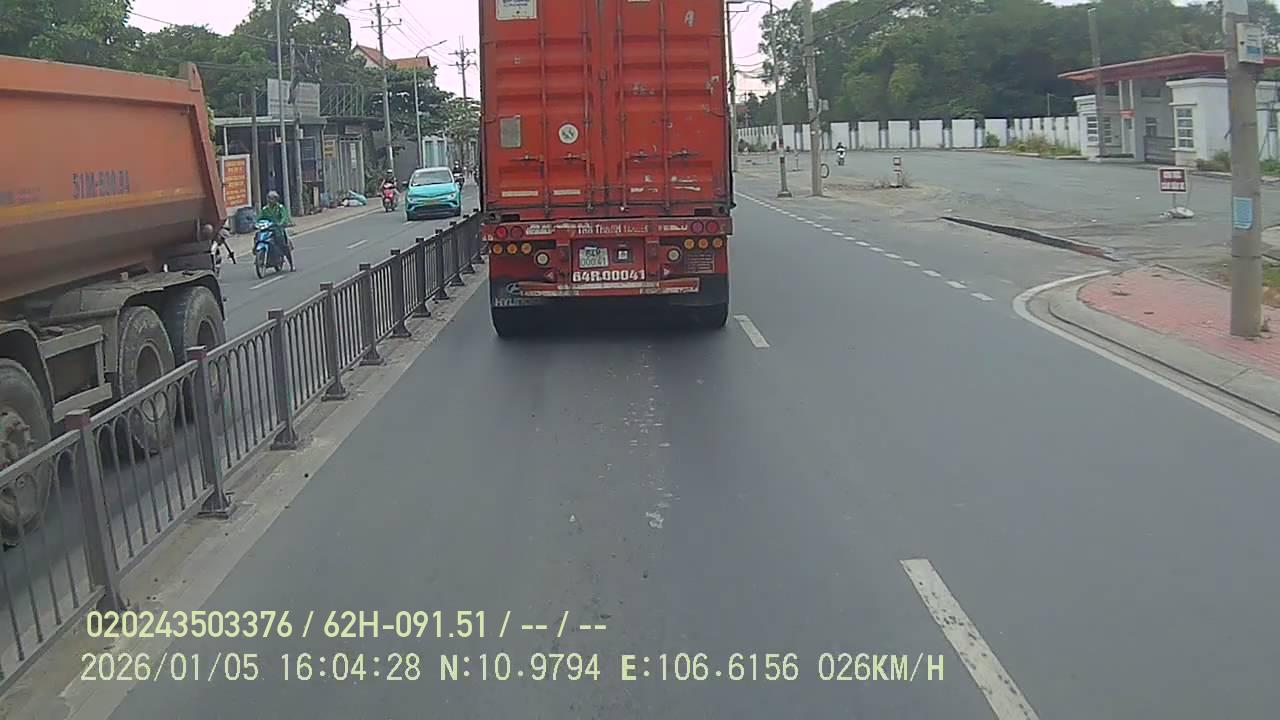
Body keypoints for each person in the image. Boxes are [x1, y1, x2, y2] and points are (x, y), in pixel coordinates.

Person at [258, 191, 295, 270]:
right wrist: (256, 224)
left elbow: (284, 216)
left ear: (276, 199)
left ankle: (291, 265)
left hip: (278, 230)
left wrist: (281, 223)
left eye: (272, 198)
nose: (270, 200)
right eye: (269, 198)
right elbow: (260, 218)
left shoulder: (280, 207)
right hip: (267, 229)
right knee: (257, 237)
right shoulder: (265, 209)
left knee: (284, 246)